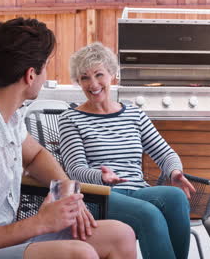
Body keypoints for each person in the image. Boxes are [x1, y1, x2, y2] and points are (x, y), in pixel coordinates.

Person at [0, 18, 137, 259]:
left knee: (121, 236)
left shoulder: (2, 108)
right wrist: (41, 223)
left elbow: (35, 156)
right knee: (79, 254)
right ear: (31, 75)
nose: (46, 76)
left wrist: (67, 193)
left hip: (5, 233)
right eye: (47, 66)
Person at [58, 42, 196, 259]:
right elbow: (75, 170)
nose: (93, 84)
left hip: (138, 190)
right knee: (150, 215)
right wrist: (101, 176)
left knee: (176, 197)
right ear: (78, 82)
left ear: (112, 74)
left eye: (99, 74)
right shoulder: (70, 119)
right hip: (99, 196)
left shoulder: (133, 114)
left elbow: (165, 153)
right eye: (84, 77)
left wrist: (174, 172)